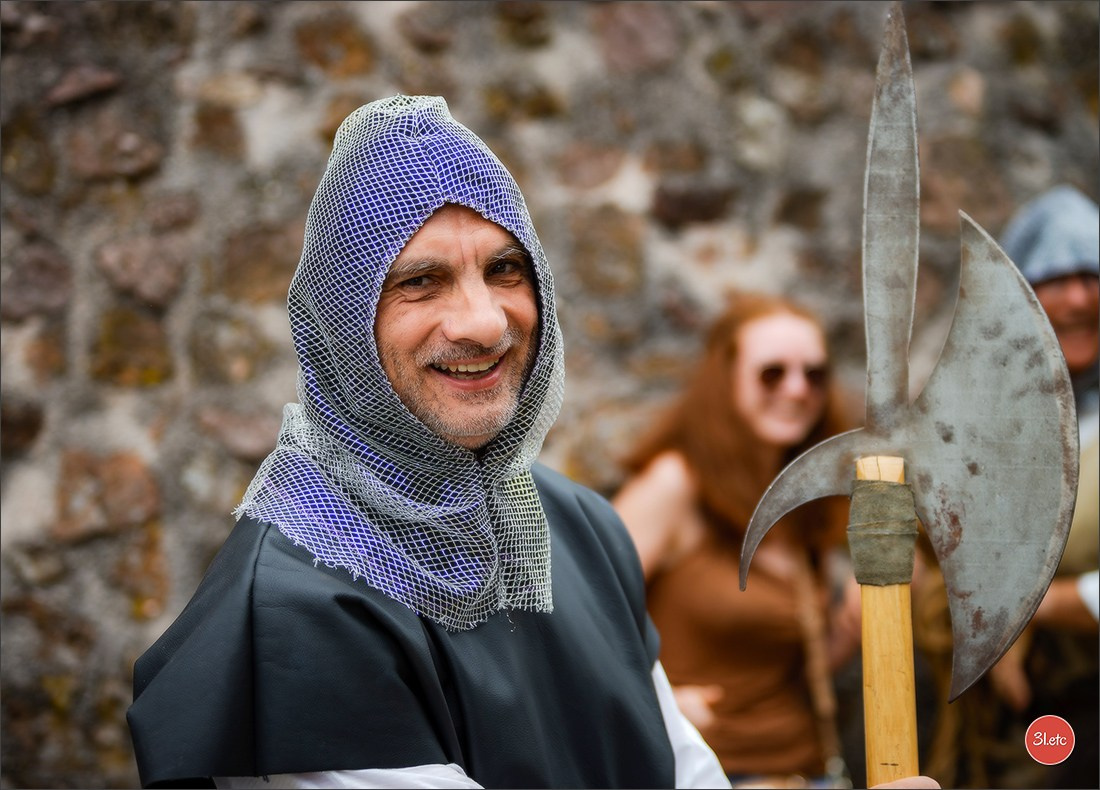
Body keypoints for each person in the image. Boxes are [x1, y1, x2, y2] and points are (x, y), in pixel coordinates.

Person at [125, 95, 940, 790]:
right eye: (420, 280)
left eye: (506, 270)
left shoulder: (576, 525)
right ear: (343, 322)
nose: (484, 321)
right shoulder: (293, 616)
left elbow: (685, 775)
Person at [612, 291, 862, 787]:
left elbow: (772, 667)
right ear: (724, 380)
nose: (797, 390)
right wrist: (654, 699)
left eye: (814, 374)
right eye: (773, 372)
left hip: (809, 771)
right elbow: (579, 614)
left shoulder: (800, 502)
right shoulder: (676, 484)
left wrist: (853, 624)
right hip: (711, 774)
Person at [913, 184, 1099, 789]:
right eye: (1056, 278)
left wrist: (1029, 610)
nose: (1078, 297)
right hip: (981, 720)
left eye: (1092, 276)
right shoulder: (973, 411)